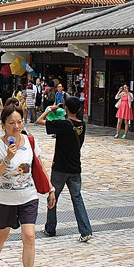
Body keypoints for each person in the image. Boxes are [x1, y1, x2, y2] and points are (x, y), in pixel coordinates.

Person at [0, 104, 56, 267]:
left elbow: (39, 167)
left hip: (28, 196)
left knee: (29, 235)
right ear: (3, 125)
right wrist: (8, 158)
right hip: (5, 198)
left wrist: (50, 188)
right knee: (2, 235)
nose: (16, 126)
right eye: (11, 123)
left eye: (19, 122)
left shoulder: (30, 141)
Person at [37, 97, 93, 242]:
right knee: (77, 199)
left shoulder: (63, 124)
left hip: (60, 167)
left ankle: (50, 228)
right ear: (79, 109)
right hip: (75, 168)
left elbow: (39, 121)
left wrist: (50, 109)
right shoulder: (82, 125)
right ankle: (85, 230)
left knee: (53, 196)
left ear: (66, 108)